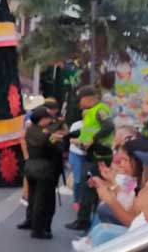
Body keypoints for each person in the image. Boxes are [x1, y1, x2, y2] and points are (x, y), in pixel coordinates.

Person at [66, 86, 115, 232]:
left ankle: (85, 221)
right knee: (86, 187)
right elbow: (84, 131)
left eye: (79, 100)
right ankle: (84, 220)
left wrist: (93, 138)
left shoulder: (100, 110)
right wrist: (67, 136)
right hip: (91, 154)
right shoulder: (91, 112)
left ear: (88, 98)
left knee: (88, 188)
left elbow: (108, 126)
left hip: (99, 155)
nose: (78, 103)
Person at [18, 107, 66, 239]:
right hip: (45, 170)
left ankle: (31, 221)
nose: (50, 120)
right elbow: (57, 148)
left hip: (31, 167)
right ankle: (39, 229)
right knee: (43, 201)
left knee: (33, 198)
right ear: (42, 119)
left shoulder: (30, 130)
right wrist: (59, 139)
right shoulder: (46, 136)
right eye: (48, 118)